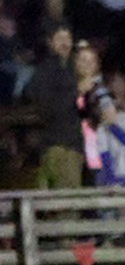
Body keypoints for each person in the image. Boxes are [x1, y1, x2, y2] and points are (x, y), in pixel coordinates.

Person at [23, 25, 83, 189]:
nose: (65, 43)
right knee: (67, 197)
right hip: (59, 142)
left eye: (67, 39)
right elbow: (44, 104)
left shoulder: (77, 66)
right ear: (50, 43)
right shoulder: (44, 71)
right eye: (59, 39)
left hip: (79, 142)